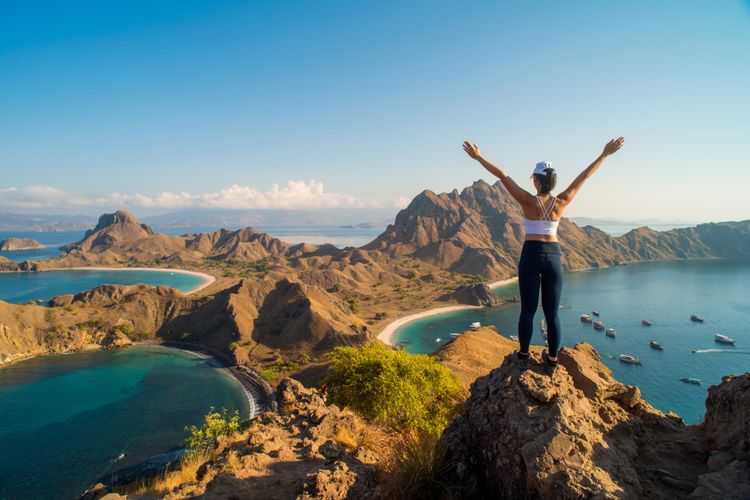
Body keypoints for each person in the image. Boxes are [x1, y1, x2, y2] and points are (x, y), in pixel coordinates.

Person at [462, 137, 625, 372]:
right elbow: (584, 177)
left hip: (531, 256)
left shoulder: (527, 200)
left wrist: (478, 158)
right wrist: (604, 155)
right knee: (552, 315)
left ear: (537, 180)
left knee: (527, 311)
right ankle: (552, 361)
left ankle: (524, 355)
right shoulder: (562, 201)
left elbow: (502, 175)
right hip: (554, 258)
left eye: (532, 178)